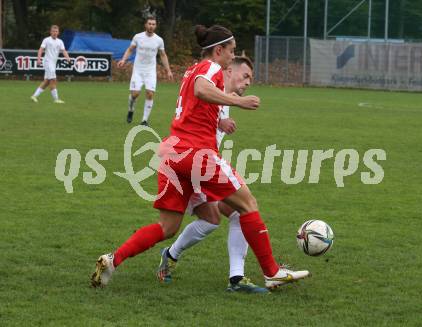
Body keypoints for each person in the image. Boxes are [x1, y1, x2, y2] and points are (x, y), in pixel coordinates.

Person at [91, 24, 309, 290]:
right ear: (219, 50)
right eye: (231, 51)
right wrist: (238, 102)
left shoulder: (191, 69)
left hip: (174, 155)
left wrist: (221, 115)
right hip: (197, 154)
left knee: (168, 226)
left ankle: (113, 259)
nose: (232, 56)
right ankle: (271, 272)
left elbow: (198, 101)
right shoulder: (212, 68)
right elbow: (201, 91)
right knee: (248, 204)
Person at [156, 56, 268, 293]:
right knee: (220, 216)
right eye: (245, 75)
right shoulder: (212, 89)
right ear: (228, 71)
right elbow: (197, 105)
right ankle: (171, 255)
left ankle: (235, 277)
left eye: (251, 78)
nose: (248, 82)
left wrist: (223, 119)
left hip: (204, 165)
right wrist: (223, 119)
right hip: (190, 166)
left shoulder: (223, 97)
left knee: (233, 214)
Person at [117, 15, 173, 126]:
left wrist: (168, 70)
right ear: (145, 25)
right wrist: (123, 60)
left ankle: (144, 120)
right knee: (135, 94)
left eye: (153, 24)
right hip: (138, 70)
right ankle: (131, 110)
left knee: (150, 93)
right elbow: (130, 49)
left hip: (150, 71)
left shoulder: (159, 40)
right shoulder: (138, 37)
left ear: (155, 26)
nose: (151, 26)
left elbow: (163, 55)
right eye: (149, 24)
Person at [30, 25, 70, 104]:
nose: (55, 33)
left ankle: (34, 96)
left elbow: (63, 51)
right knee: (53, 80)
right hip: (47, 62)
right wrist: (38, 59)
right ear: (50, 32)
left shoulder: (60, 41)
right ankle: (56, 99)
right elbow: (41, 49)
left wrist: (68, 58)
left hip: (53, 63)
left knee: (47, 81)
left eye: (56, 31)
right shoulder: (46, 40)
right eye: (53, 31)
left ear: (58, 32)